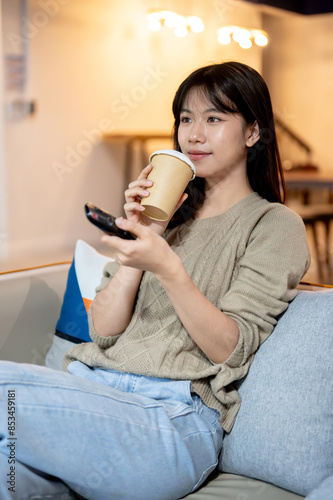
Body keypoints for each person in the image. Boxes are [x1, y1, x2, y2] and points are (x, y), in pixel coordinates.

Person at [0, 61, 310, 500]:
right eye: (186, 119)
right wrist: (142, 235)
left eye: (214, 119)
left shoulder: (273, 225)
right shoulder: (168, 225)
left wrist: (167, 266)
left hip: (171, 423)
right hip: (95, 393)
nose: (194, 134)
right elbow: (102, 329)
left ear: (253, 132)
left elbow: (229, 348)